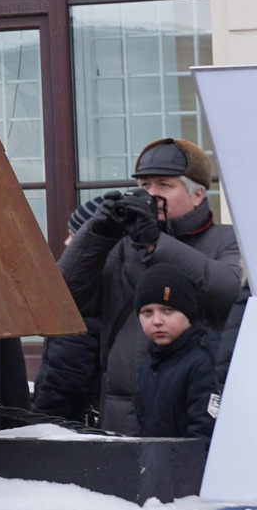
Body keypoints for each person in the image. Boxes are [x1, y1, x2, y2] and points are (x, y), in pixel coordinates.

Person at [36, 137, 246, 431]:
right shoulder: (122, 246)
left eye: (164, 185)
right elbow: (66, 299)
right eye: (145, 185)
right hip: (120, 414)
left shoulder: (229, 240)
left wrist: (155, 244)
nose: (151, 194)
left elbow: (229, 292)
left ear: (198, 194)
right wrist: (96, 232)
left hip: (196, 412)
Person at [131, 260, 220, 439]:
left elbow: (205, 434)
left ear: (188, 312)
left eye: (168, 310)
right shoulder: (148, 364)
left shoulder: (203, 363)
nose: (157, 320)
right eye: (147, 312)